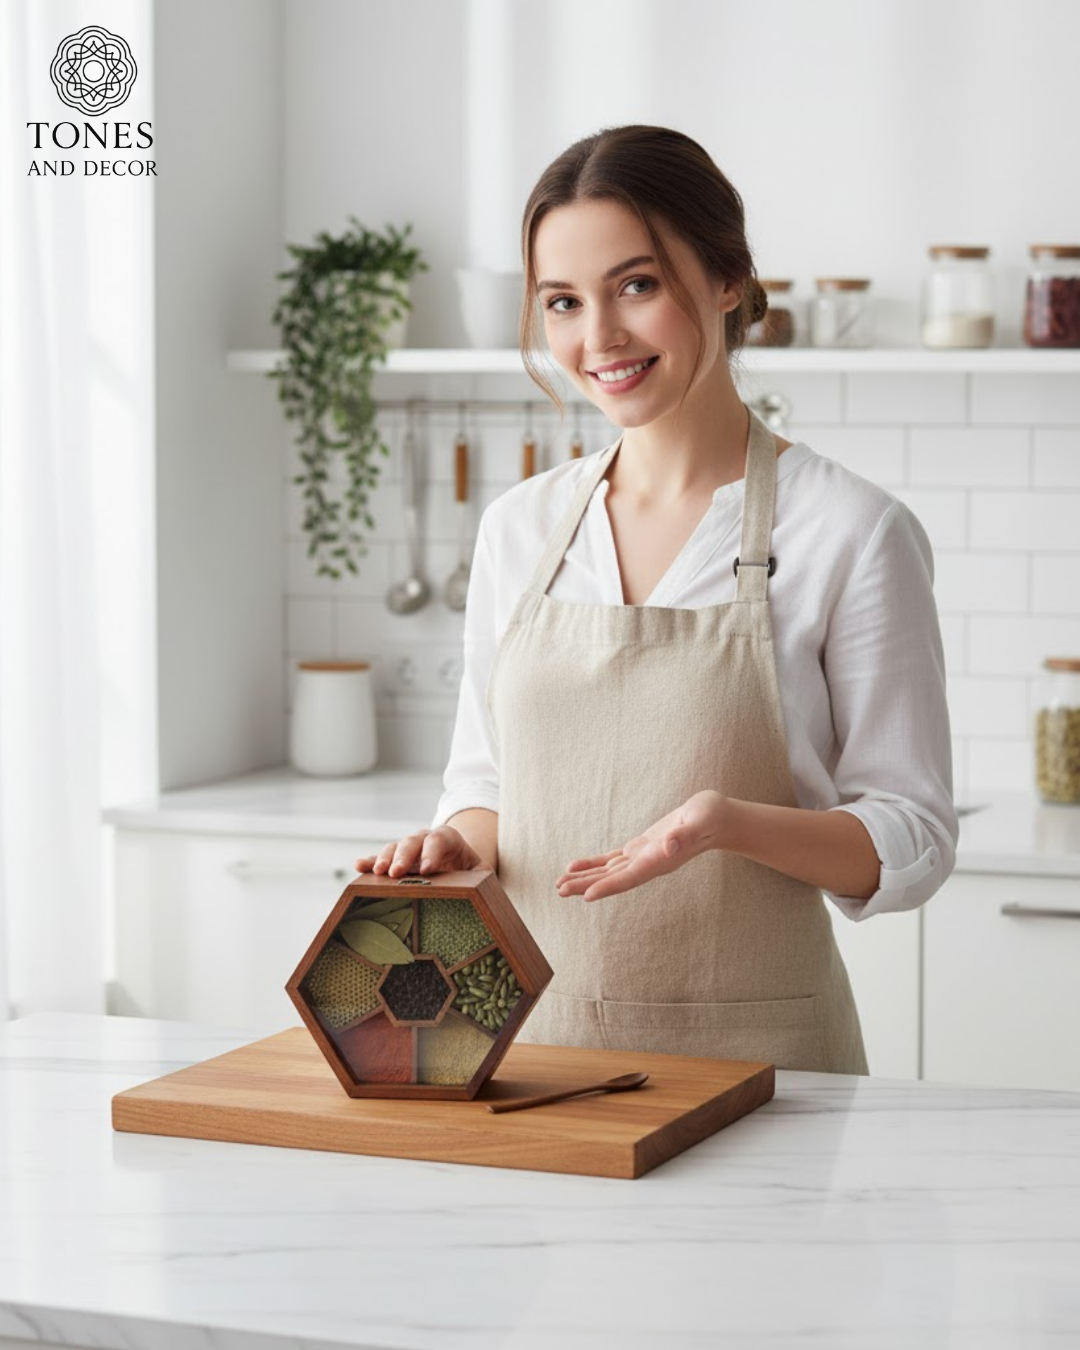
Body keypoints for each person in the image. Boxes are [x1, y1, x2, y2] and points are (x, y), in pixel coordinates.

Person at [355, 124, 958, 1074]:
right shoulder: (521, 530)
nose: (598, 340)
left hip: (767, 1077)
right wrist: (450, 850)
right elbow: (485, 788)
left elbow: (914, 840)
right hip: (536, 1065)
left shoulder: (850, 531)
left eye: (636, 285)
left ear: (727, 280)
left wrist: (726, 825)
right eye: (563, 302)